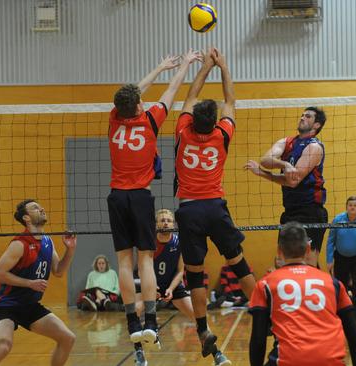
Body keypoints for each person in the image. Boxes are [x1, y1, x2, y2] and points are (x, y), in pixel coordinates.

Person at [107, 50, 201, 347]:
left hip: (117, 196)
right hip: (141, 197)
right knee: (145, 259)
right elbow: (172, 90)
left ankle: (132, 322)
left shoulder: (113, 119)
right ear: (138, 106)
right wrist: (180, 66)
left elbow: (133, 93)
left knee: (124, 261)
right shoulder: (150, 120)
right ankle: (150, 320)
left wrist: (157, 67)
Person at [174, 48, 254, 364]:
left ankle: (203, 328)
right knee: (239, 263)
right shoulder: (223, 134)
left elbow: (190, 95)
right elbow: (230, 102)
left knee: (195, 276)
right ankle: (267, 310)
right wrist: (224, 68)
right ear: (214, 121)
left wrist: (205, 68)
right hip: (215, 207)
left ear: (193, 119)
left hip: (189, 209)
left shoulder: (181, 131)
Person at [248, 222, 356, 366]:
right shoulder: (333, 283)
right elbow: (355, 338)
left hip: (287, 361)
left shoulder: (265, 285)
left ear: (279, 251)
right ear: (308, 249)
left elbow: (258, 340)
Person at [0, 200, 77, 366]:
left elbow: (59, 271)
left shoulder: (47, 241)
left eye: (40, 206)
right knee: (4, 346)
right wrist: (29, 283)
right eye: (35, 208)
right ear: (26, 217)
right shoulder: (19, 244)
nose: (42, 208)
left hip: (30, 305)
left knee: (68, 338)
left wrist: (70, 249)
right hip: (6, 306)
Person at [133, 209, 230, 366]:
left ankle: (216, 354)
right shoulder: (148, 241)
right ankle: (139, 354)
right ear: (156, 224)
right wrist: (152, 288)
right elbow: (143, 268)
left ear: (173, 224)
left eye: (169, 220)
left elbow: (180, 271)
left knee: (197, 315)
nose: (165, 222)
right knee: (135, 310)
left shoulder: (179, 242)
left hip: (173, 284)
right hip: (149, 282)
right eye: (162, 220)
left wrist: (171, 289)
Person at [244, 105, 328, 267]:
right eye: (302, 115)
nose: (302, 117)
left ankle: (315, 291)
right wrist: (285, 164)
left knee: (308, 262)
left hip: (311, 211)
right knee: (282, 261)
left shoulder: (314, 147)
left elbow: (293, 181)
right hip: (290, 211)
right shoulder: (287, 142)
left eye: (308, 116)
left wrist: (262, 174)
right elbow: (265, 160)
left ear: (317, 125)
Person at [325, 195, 356, 322]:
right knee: (340, 289)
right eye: (350, 205)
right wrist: (329, 260)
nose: (352, 208)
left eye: (355, 206)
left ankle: (355, 319)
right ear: (346, 207)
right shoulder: (338, 220)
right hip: (340, 258)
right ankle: (341, 316)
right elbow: (331, 241)